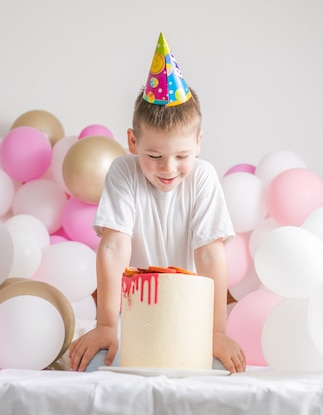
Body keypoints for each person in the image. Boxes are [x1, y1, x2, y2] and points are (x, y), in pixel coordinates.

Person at [68, 33, 246, 374]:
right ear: (132, 141)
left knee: (214, 370)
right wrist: (106, 325)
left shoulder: (203, 178)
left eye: (182, 155)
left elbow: (209, 254)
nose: (168, 169)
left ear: (199, 143)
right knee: (94, 368)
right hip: (134, 312)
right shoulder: (123, 171)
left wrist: (216, 332)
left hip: (189, 313)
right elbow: (113, 247)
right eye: (154, 155)